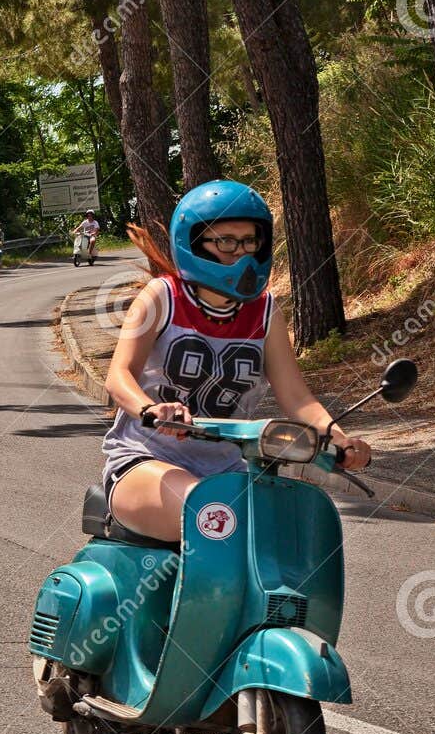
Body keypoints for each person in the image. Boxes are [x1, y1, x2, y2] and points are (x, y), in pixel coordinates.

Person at [101, 180, 372, 543]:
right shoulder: (163, 296)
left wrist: (338, 438)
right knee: (212, 517)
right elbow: (119, 376)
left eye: (250, 241)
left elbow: (297, 397)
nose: (241, 254)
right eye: (226, 241)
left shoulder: (264, 311)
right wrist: (151, 409)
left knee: (294, 534)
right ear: (194, 243)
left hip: (228, 468)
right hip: (145, 459)